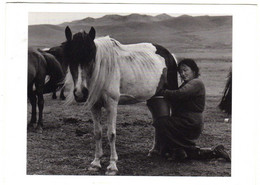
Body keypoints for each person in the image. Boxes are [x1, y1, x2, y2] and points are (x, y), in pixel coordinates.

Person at [150, 58, 231, 162]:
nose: (182, 74)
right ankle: (215, 151)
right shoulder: (188, 84)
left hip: (189, 122)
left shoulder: (196, 83)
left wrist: (162, 91)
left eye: (185, 70)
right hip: (188, 121)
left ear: (193, 70)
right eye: (180, 72)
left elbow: (180, 94)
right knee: (190, 152)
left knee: (160, 122)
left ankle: (177, 150)